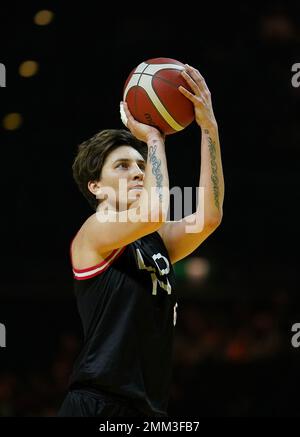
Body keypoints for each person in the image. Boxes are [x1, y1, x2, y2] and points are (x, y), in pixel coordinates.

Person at [57, 64, 224, 417]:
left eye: (139, 165)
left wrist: (209, 128)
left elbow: (209, 217)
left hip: (148, 409)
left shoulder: (156, 238)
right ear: (96, 187)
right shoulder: (94, 231)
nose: (137, 171)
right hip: (96, 403)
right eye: (121, 166)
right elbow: (155, 211)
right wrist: (152, 139)